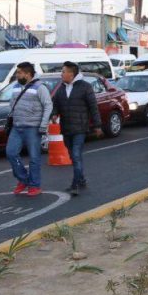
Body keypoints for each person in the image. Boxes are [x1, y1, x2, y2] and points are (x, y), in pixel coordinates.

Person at [51, 61, 101, 195]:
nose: (61, 74)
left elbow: (93, 107)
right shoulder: (61, 88)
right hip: (66, 128)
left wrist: (97, 125)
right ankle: (82, 179)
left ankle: (75, 184)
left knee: (76, 155)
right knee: (73, 157)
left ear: (71, 74)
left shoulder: (85, 87)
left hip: (80, 128)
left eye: (63, 71)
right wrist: (54, 113)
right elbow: (55, 104)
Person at [5, 61, 53, 197]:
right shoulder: (15, 87)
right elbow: (11, 104)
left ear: (27, 74)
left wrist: (43, 125)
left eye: (19, 72)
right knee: (10, 153)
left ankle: (34, 185)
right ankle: (24, 179)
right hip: (17, 127)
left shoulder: (40, 87)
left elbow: (48, 106)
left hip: (33, 128)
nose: (17, 75)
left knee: (34, 158)